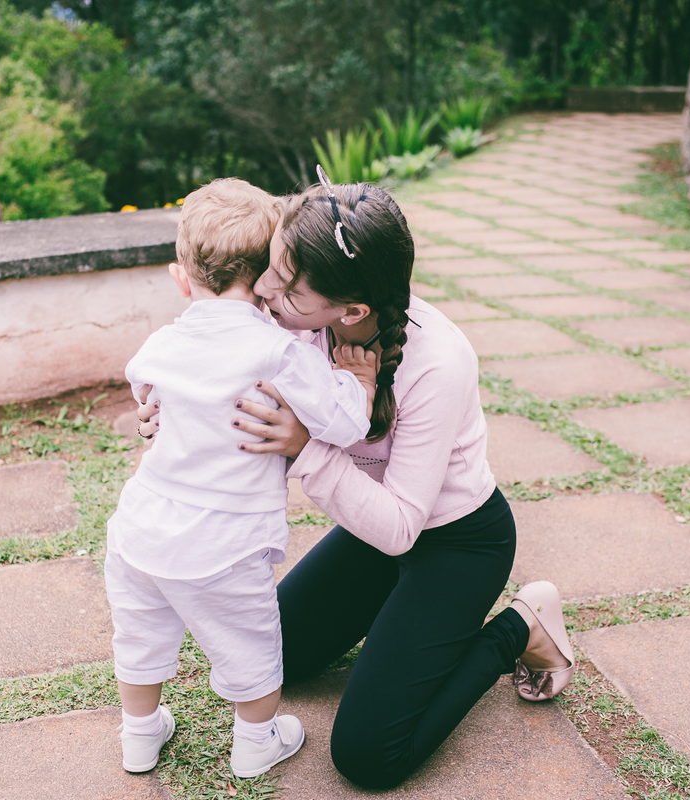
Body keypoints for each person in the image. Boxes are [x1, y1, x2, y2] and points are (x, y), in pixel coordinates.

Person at [222, 173, 577, 789]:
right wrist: (167, 412)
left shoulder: (439, 361)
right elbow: (222, 380)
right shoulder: (300, 324)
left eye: (283, 284)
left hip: (456, 542)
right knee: (271, 658)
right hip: (372, 531)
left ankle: (524, 624)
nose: (262, 290)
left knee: (367, 756)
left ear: (353, 310)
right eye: (271, 268)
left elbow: (399, 529)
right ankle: (407, 622)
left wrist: (306, 448)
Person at [104, 177, 379, 780]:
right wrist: (358, 384)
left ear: (182, 278)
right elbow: (342, 423)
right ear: (269, 280)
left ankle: (141, 737)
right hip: (224, 543)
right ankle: (257, 741)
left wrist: (156, 410)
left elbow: (143, 388)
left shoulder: (160, 344)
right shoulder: (279, 352)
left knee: (141, 635)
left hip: (141, 528)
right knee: (250, 644)